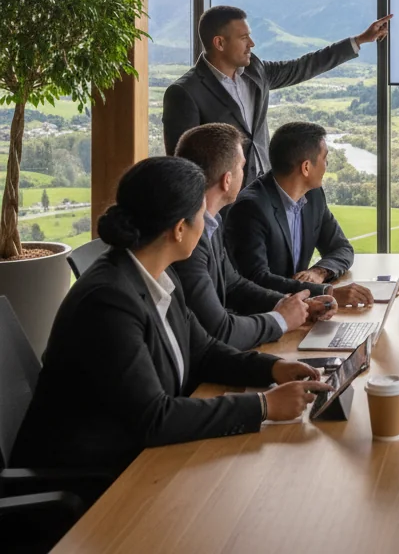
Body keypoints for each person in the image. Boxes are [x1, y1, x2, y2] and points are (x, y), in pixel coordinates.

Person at [11, 158, 331, 477]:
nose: (206, 225)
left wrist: (274, 368)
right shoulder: (108, 301)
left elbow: (203, 350)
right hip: (91, 477)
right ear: (179, 229)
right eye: (200, 216)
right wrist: (264, 406)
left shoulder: (158, 274)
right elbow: (154, 418)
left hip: (139, 457)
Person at [163, 4, 392, 187]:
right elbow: (183, 167)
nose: (251, 44)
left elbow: (303, 66)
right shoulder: (184, 93)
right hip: (221, 207)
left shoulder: (256, 70)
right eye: (244, 38)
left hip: (263, 193)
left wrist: (359, 40)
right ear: (219, 43)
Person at [173, 123, 347, 349]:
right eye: (242, 167)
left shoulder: (210, 225)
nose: (246, 175)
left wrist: (298, 304)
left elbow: (233, 285)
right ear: (227, 180)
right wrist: (282, 319)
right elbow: (220, 330)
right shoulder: (189, 242)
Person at [225, 122, 371, 304]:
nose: (327, 165)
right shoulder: (250, 208)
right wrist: (325, 292)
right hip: (267, 313)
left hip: (303, 311)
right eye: (325, 158)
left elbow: (341, 248)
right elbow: (257, 279)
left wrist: (318, 272)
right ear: (306, 167)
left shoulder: (314, 196)